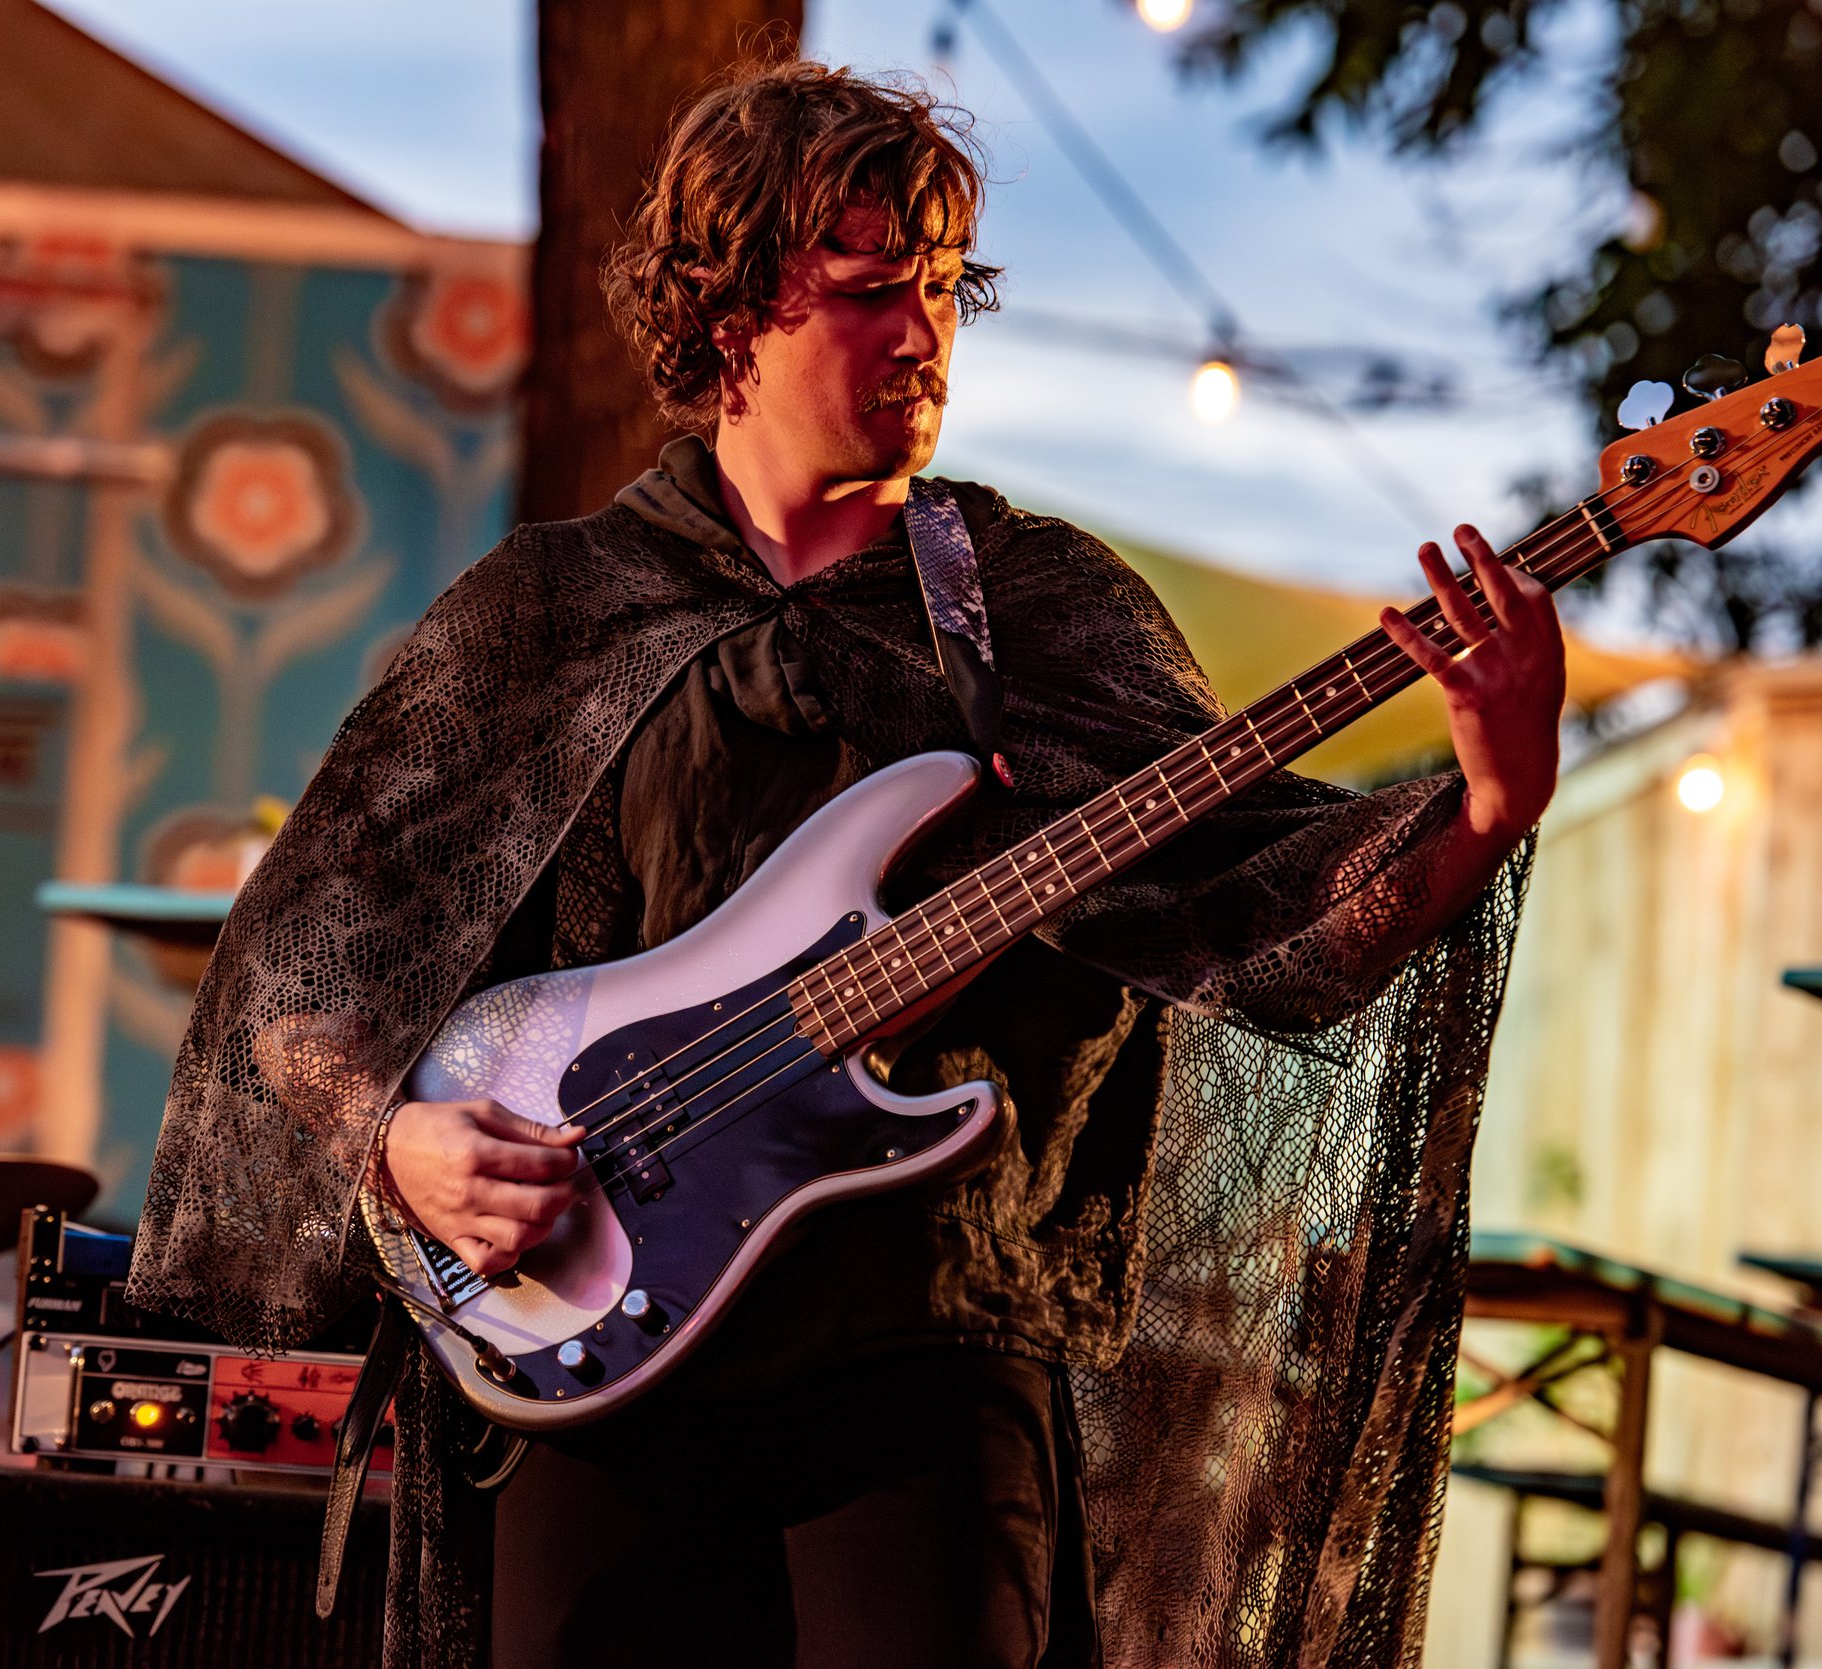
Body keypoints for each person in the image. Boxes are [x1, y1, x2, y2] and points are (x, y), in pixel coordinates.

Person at [132, 57, 1563, 1669]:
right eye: (873, 291)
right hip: (594, 1361)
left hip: (922, 1362)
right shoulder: (550, 607)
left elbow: (1255, 903)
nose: (924, 332)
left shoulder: (1033, 608)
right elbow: (307, 963)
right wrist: (399, 1144)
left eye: (945, 289)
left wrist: (1489, 799)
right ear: (729, 314)